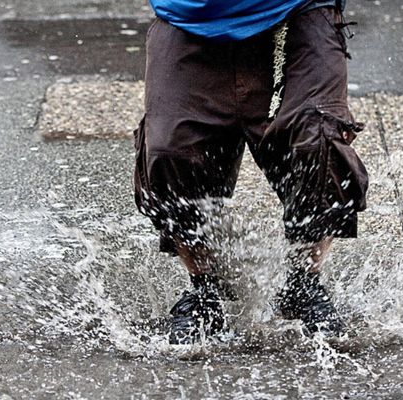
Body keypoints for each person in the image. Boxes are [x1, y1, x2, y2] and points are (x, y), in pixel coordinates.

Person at [133, 0, 368, 344]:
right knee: (171, 151)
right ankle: (203, 289)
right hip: (190, 15)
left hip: (297, 10)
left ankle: (304, 284)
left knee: (318, 143)